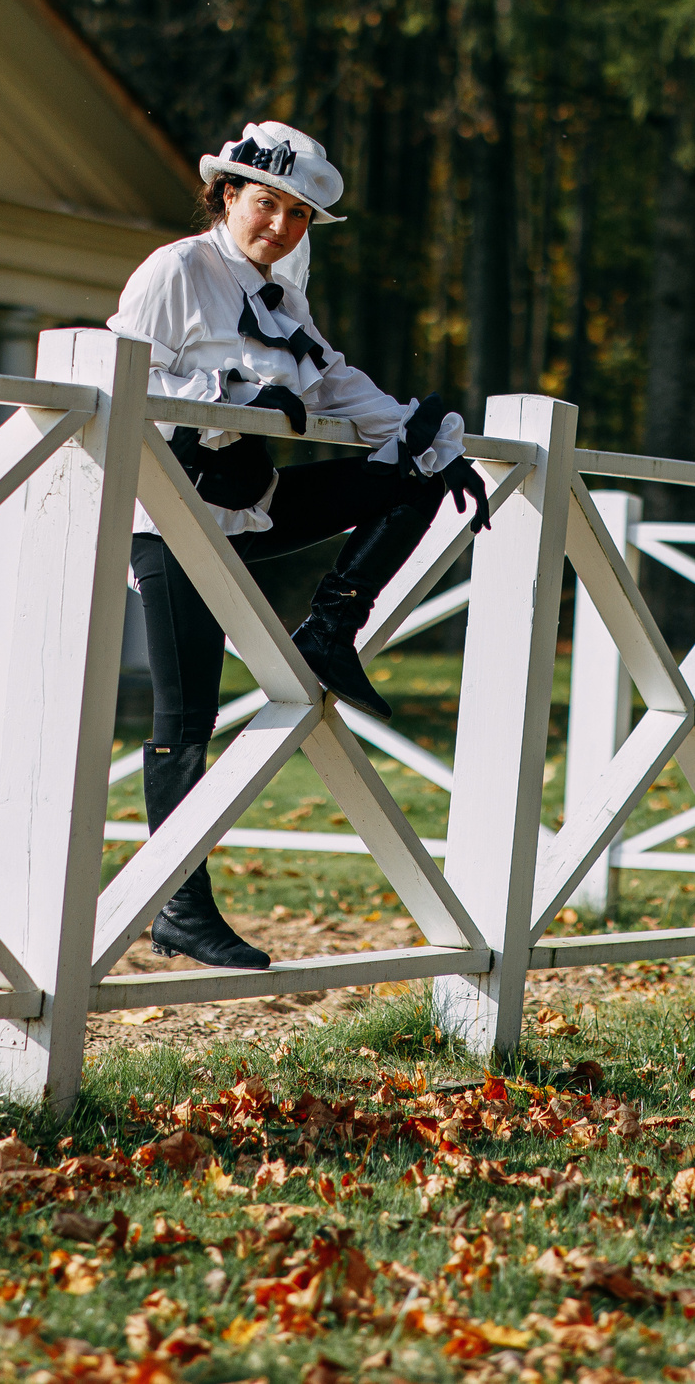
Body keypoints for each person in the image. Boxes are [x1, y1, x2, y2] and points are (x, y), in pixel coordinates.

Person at [107, 121, 492, 970]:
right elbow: (118, 380)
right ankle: (178, 904)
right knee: (187, 714)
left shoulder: (283, 295)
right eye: (267, 204)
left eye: (297, 215)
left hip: (255, 506)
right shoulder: (177, 271)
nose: (279, 226)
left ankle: (330, 628)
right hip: (170, 516)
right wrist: (227, 393)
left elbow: (331, 378)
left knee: (414, 472)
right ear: (228, 195)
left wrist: (426, 433)